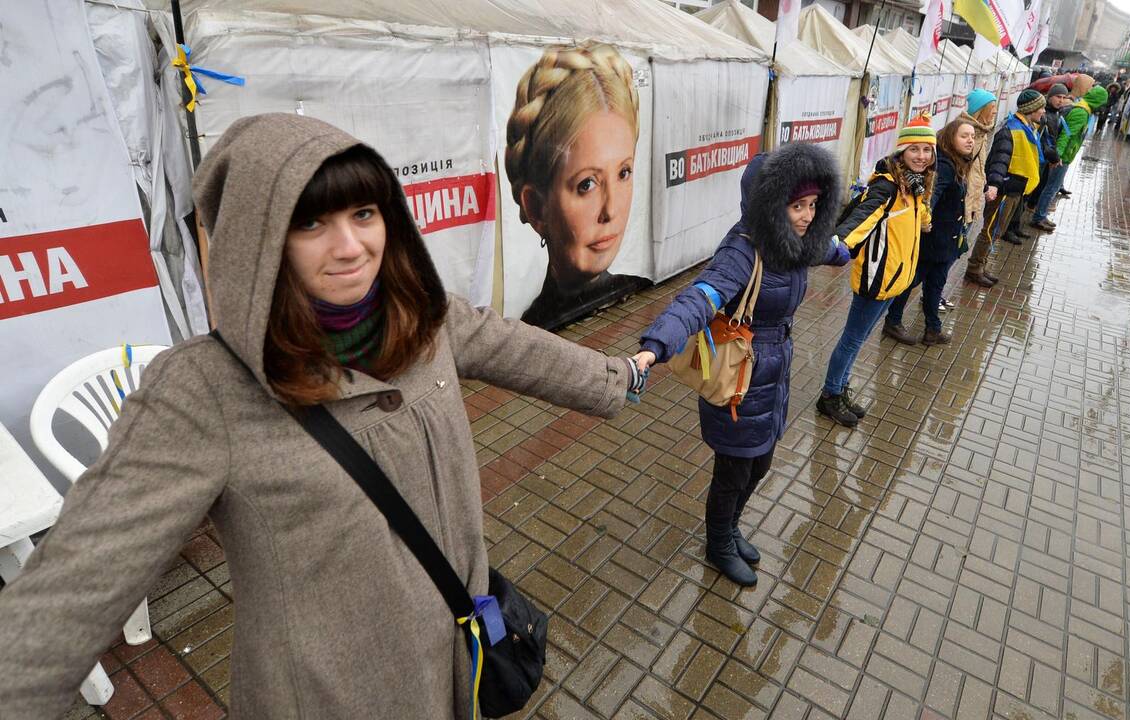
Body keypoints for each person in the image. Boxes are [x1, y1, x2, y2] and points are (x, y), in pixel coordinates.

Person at [0, 114, 649, 718]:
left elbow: (520, 348)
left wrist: (621, 377)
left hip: (459, 651)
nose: (351, 247)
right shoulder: (202, 391)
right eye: (310, 224)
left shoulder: (423, 316)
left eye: (364, 213)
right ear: (260, 242)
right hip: (333, 696)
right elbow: (70, 593)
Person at [631, 143, 850, 586]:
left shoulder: (796, 241)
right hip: (738, 376)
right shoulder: (743, 250)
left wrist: (842, 251)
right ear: (770, 207)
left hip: (774, 371)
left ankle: (730, 529)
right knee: (733, 471)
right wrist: (655, 346)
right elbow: (699, 298)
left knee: (762, 463)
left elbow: (825, 249)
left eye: (813, 205)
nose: (808, 215)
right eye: (797, 206)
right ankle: (718, 544)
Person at [505, 44, 645, 329]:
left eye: (624, 172)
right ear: (536, 208)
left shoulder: (640, 288)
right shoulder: (527, 334)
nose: (611, 209)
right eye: (587, 184)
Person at [817, 114, 935, 428]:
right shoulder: (886, 187)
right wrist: (835, 246)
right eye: (914, 150)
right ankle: (830, 396)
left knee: (862, 337)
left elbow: (917, 213)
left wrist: (925, 219)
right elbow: (861, 219)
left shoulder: (914, 185)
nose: (921, 156)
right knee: (852, 340)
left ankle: (839, 389)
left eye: (927, 150)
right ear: (901, 153)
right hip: (877, 279)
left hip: (896, 280)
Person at [882, 118, 976, 346]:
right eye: (964, 135)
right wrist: (924, 219)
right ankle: (893, 321)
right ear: (950, 137)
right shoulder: (944, 165)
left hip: (945, 242)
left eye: (972, 136)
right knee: (911, 282)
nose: (970, 140)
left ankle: (932, 328)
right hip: (933, 242)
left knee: (934, 285)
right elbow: (930, 196)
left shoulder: (955, 162)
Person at [965, 90, 1046, 285]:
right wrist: (994, 184)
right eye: (1040, 107)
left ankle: (981, 265)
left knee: (997, 230)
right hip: (1005, 189)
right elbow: (999, 160)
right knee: (990, 230)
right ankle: (974, 268)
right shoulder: (1011, 129)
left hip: (1017, 187)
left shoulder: (1027, 127)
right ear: (1030, 109)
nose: (1043, 111)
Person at [958, 89, 1000, 288]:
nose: (995, 112)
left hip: (971, 201)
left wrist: (985, 187)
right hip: (961, 203)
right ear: (980, 109)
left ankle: (934, 295)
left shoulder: (981, 133)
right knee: (949, 251)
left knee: (956, 250)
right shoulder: (966, 134)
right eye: (992, 108)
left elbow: (977, 169)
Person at [1027, 84, 1072, 232]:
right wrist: (1052, 155)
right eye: (1058, 96)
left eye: (1064, 97)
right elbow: (1040, 139)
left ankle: (1035, 212)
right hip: (1040, 158)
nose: (1061, 100)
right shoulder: (1044, 114)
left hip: (1047, 158)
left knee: (1041, 185)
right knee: (1032, 188)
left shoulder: (1057, 113)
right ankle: (1025, 218)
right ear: (1050, 96)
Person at [1056, 86, 1108, 182]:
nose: (1102, 107)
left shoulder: (1085, 109)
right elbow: (1066, 134)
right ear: (1097, 101)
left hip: (1066, 155)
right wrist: (1058, 155)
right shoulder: (1082, 112)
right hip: (1063, 157)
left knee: (1053, 186)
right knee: (1051, 189)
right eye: (1102, 103)